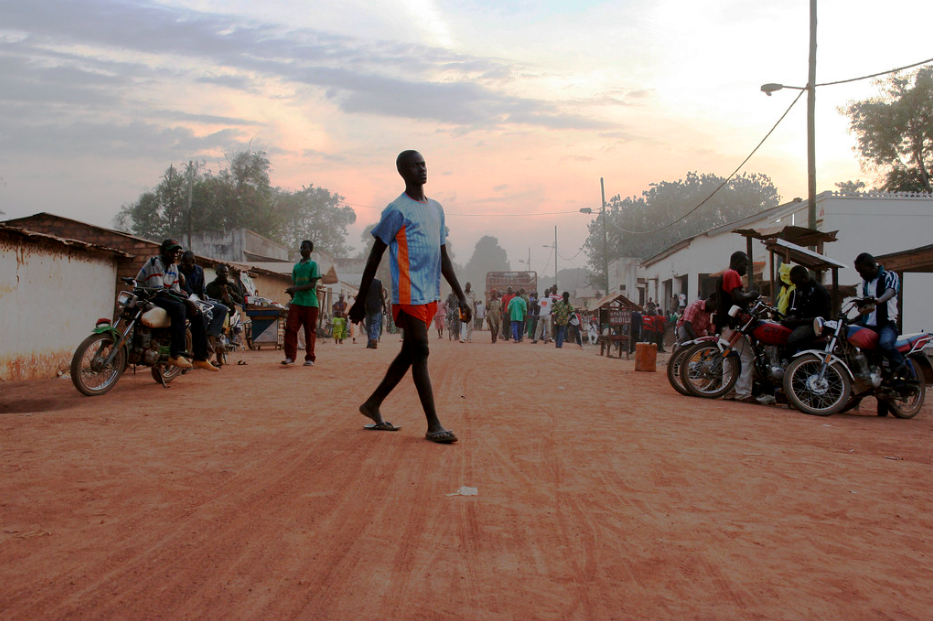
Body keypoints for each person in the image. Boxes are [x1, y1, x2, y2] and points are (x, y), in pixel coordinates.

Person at [349, 150, 470, 443]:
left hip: (430, 294)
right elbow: (374, 257)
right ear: (403, 172)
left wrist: (460, 295)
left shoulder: (437, 209)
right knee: (422, 352)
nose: (422, 169)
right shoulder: (396, 210)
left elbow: (443, 257)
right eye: (415, 166)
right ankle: (433, 425)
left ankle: (373, 404)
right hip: (408, 293)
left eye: (424, 164)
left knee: (409, 354)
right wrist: (361, 298)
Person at [135, 239, 218, 372]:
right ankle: (176, 353)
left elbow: (176, 291)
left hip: (161, 296)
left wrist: (188, 301)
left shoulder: (173, 268)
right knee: (180, 307)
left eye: (177, 251)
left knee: (197, 313)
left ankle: (200, 357)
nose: (175, 254)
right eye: (172, 251)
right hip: (149, 296)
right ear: (163, 252)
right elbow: (158, 290)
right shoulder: (155, 262)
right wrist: (184, 302)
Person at [714, 251, 759, 402]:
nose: (746, 268)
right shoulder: (732, 274)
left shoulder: (725, 275)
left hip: (724, 322)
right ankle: (743, 393)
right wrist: (751, 295)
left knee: (729, 357)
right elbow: (737, 296)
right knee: (746, 356)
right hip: (732, 323)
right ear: (737, 262)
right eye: (745, 264)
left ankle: (728, 391)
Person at [854, 253, 907, 376]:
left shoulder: (889, 276)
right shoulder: (865, 282)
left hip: (887, 324)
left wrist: (880, 300)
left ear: (872, 266)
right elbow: (867, 308)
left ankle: (903, 370)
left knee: (885, 345)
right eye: (859, 272)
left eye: (862, 271)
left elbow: (891, 291)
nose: (861, 274)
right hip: (868, 324)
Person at [178, 251, 228, 361]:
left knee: (222, 309)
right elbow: (187, 291)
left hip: (199, 299)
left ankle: (209, 336)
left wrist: (203, 297)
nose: (185, 266)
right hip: (187, 299)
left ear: (193, 262)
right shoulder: (178, 270)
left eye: (187, 263)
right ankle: (201, 341)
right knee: (205, 313)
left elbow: (201, 289)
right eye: (183, 263)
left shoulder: (199, 270)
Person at [282, 240, 320, 366]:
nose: (302, 250)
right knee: (290, 328)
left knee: (309, 331)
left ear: (311, 249)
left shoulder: (314, 265)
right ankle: (290, 357)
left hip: (310, 303)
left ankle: (310, 358)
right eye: (301, 247)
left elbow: (312, 284)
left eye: (305, 247)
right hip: (297, 301)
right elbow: (296, 284)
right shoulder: (296, 267)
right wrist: (292, 293)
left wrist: (295, 289)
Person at [783, 266, 831, 356]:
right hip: (800, 324)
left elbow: (823, 317)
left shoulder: (820, 291)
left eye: (797, 283)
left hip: (814, 326)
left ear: (804, 278)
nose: (796, 286)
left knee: (792, 341)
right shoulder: (799, 291)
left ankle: (795, 366)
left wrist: (798, 321)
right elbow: (794, 311)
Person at [364, 278, 386, 349]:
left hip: (368, 307)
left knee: (368, 325)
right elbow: (381, 295)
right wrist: (384, 306)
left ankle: (369, 342)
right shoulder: (378, 282)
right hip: (376, 306)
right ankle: (374, 338)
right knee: (375, 324)